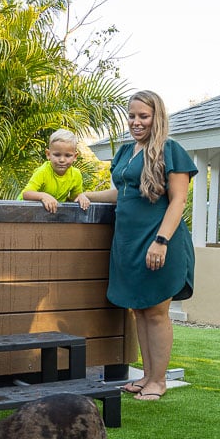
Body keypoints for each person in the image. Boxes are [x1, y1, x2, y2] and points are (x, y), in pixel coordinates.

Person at [79, 90, 196, 402]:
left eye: (143, 116)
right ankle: (146, 375)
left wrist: (161, 241)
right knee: (140, 310)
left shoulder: (171, 150)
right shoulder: (126, 152)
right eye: (132, 116)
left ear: (156, 117)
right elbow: (122, 193)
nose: (136, 122)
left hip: (159, 240)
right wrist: (88, 194)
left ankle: (159, 381)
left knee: (156, 311)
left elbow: (179, 200)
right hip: (128, 243)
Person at [19, 129, 91, 213]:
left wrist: (81, 196)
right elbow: (26, 194)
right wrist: (43, 196)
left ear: (75, 156)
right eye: (57, 155)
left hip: (49, 211)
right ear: (48, 154)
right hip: (23, 208)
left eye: (68, 155)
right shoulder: (43, 171)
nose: (62, 160)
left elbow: (74, 197)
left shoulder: (76, 174)